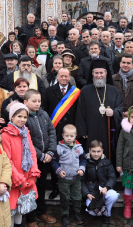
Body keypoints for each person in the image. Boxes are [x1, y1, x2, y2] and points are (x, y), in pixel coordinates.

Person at [1, 101, 41, 227]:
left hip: (27, 174)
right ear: (12, 117)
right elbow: (8, 160)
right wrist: (19, 179)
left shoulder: (25, 132)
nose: (22, 119)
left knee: (22, 206)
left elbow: (32, 152)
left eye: (25, 117)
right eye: (19, 116)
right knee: (12, 207)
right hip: (15, 177)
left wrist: (33, 172)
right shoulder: (6, 134)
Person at [75, 64, 123, 164]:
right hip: (91, 129)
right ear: (92, 74)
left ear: (106, 74)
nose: (99, 75)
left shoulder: (113, 90)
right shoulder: (85, 90)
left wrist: (114, 112)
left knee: (107, 152)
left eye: (101, 73)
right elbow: (80, 111)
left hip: (108, 129)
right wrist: (82, 130)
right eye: (96, 73)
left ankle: (107, 172)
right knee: (91, 153)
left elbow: (120, 106)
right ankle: (91, 174)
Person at [43, 67, 80, 199]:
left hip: (71, 132)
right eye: (61, 76)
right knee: (55, 160)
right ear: (57, 77)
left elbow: (79, 113)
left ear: (70, 77)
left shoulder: (76, 92)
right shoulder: (48, 91)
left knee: (71, 160)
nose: (64, 78)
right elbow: (45, 112)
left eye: (66, 76)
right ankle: (56, 187)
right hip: (55, 131)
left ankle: (71, 187)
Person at [22, 89, 57, 224]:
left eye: (39, 101)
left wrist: (50, 152)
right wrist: (41, 155)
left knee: (41, 186)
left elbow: (51, 132)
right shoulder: (24, 117)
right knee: (31, 187)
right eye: (34, 101)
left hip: (46, 158)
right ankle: (30, 218)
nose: (37, 104)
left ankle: (40, 212)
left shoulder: (43, 114)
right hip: (32, 159)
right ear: (25, 102)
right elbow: (27, 140)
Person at [51, 124, 87, 227]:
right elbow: (54, 161)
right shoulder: (58, 148)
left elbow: (83, 160)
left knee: (77, 197)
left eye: (71, 136)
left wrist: (81, 169)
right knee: (65, 197)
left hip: (76, 178)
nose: (69, 138)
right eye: (66, 136)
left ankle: (77, 212)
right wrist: (58, 170)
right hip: (64, 178)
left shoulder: (79, 148)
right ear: (63, 135)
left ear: (75, 136)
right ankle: (65, 215)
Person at [82, 140, 119, 224]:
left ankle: (107, 214)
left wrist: (106, 187)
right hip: (92, 192)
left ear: (102, 151)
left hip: (104, 189)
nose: (96, 154)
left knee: (114, 196)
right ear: (89, 150)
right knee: (92, 212)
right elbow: (82, 181)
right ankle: (102, 209)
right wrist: (87, 193)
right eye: (93, 151)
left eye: (98, 151)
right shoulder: (85, 163)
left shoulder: (107, 162)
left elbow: (112, 177)